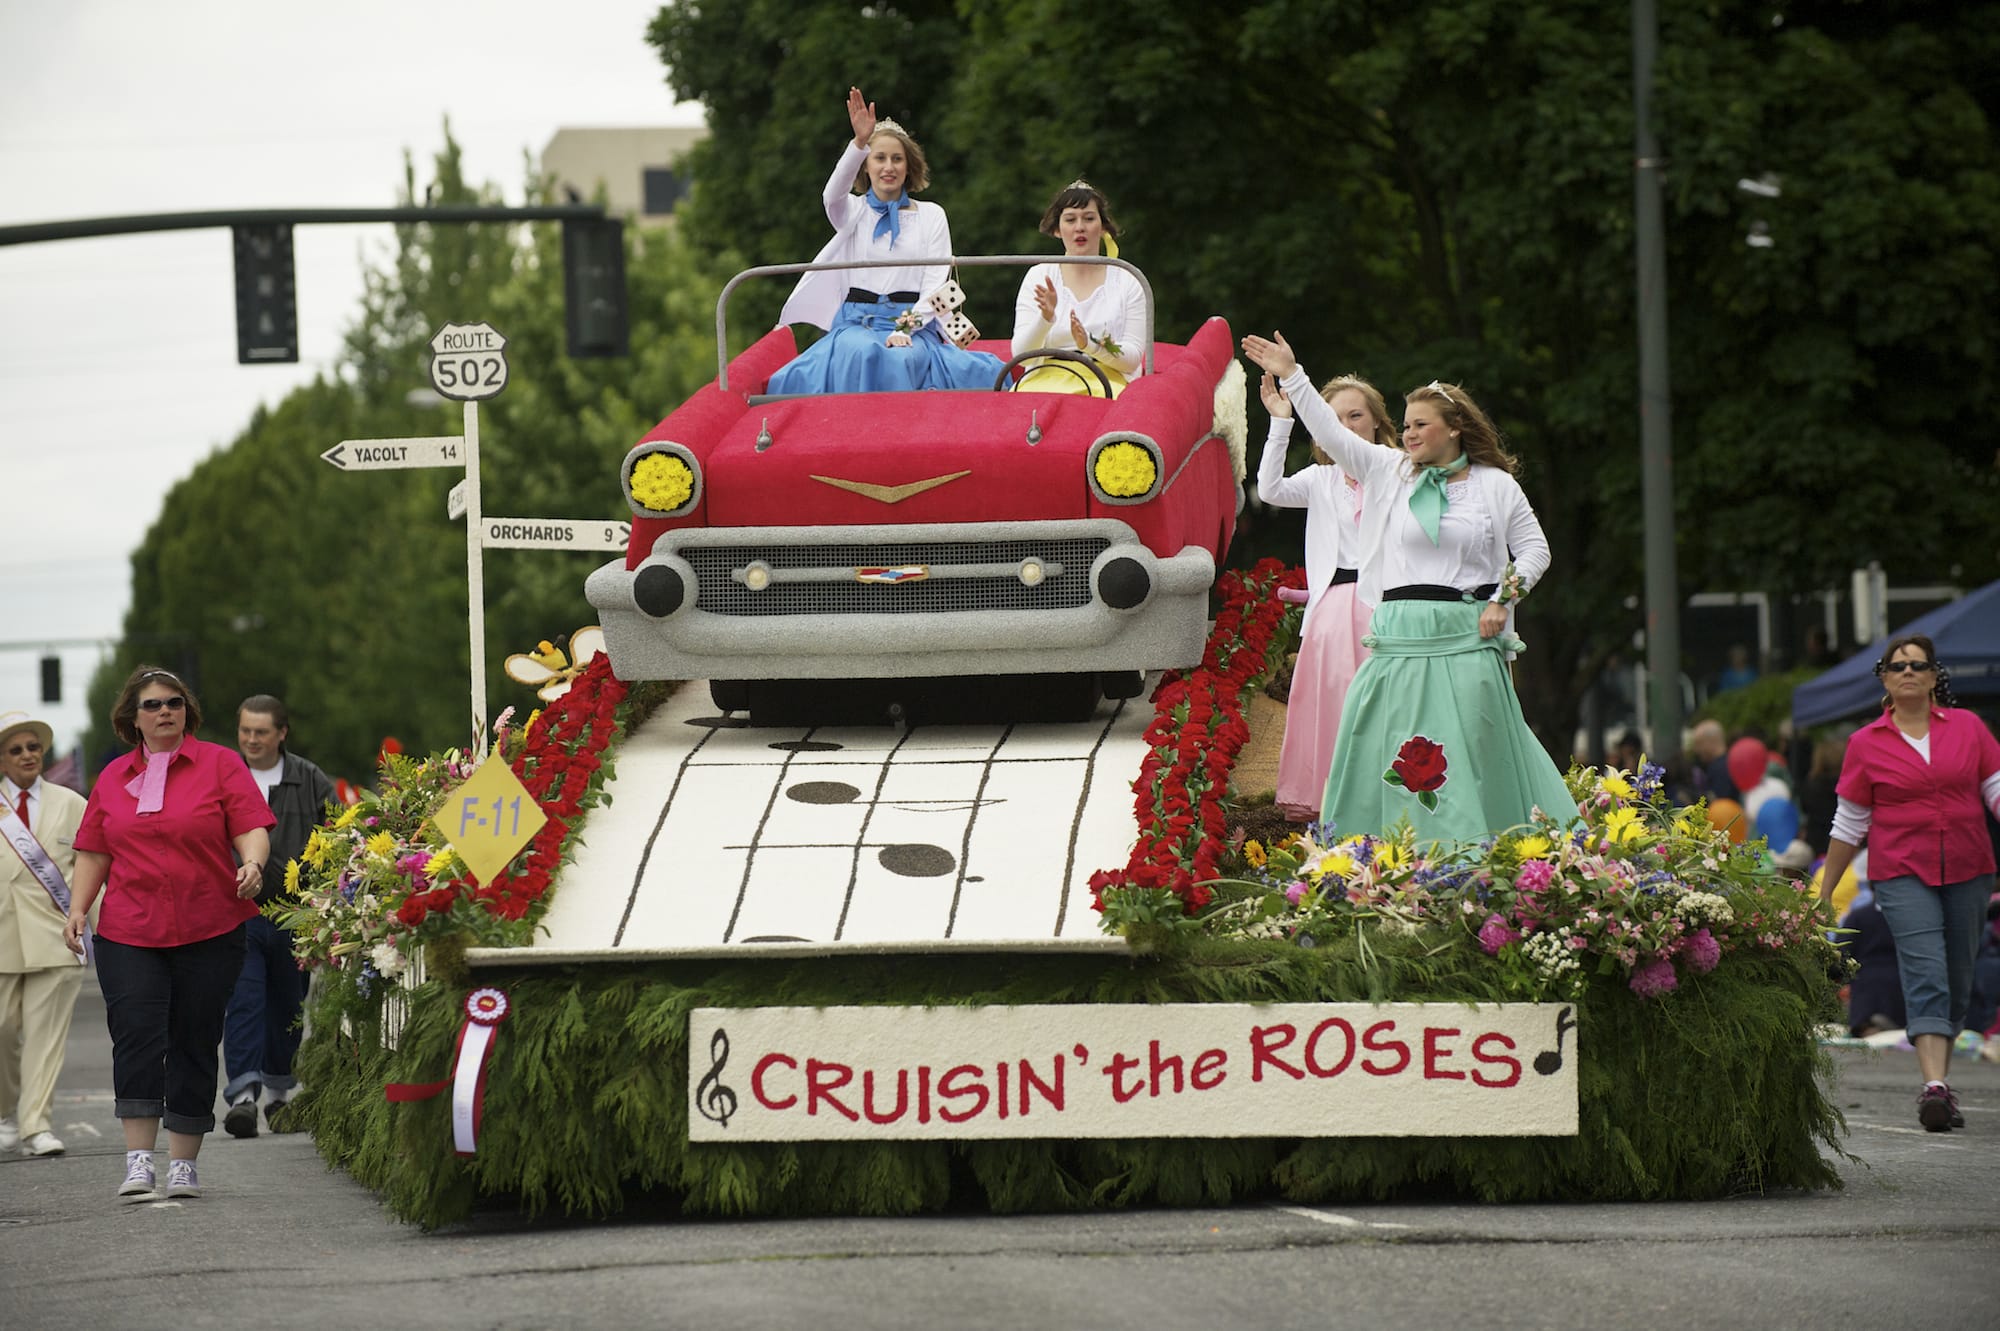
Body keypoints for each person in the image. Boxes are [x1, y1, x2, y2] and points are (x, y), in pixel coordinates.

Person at [1241, 332, 1575, 845]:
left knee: (1475, 744)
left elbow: (1536, 551)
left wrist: (1503, 599)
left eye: (1421, 424)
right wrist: (1293, 375)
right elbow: (1332, 433)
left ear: (1454, 428)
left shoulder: (1494, 485)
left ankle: (1486, 851)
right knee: (1388, 743)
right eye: (1409, 423)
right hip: (1397, 633)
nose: (1411, 433)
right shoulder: (1388, 471)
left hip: (1466, 632)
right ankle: (1376, 855)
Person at [63, 666, 273, 1199]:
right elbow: (95, 850)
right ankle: (138, 1162)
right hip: (130, 930)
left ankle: (183, 1164)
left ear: (187, 711)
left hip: (210, 924)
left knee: (194, 1038)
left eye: (174, 703)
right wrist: (78, 909)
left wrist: (251, 863)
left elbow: (250, 825)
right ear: (132, 718)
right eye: (153, 705)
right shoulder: (111, 778)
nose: (165, 712)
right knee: (135, 1035)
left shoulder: (221, 764)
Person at [1816, 634, 2000, 1132]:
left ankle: (1940, 1073)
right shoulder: (1865, 743)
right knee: (1926, 972)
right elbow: (1848, 824)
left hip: (1970, 867)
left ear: (1935, 675)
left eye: (1919, 665)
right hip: (1901, 873)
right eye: (1898, 666)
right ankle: (1934, 1089)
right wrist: (1824, 891)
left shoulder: (1969, 728)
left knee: (1959, 979)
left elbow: (1996, 790)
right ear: (1884, 677)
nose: (1909, 672)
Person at [767, 87, 1004, 396]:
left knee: (903, 357)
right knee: (864, 352)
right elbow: (831, 197)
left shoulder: (932, 215)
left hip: (913, 326)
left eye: (897, 159)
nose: (889, 167)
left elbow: (935, 286)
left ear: (908, 167)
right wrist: (858, 143)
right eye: (879, 158)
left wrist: (905, 328)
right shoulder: (853, 210)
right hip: (857, 325)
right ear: (866, 165)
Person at [1255, 371, 1397, 819]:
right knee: (1333, 704)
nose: (1347, 425)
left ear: (1377, 421)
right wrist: (1281, 421)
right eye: (1336, 418)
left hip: (1390, 607)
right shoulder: (1321, 478)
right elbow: (1269, 490)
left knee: (1389, 707)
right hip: (1333, 610)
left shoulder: (1398, 469)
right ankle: (1334, 804)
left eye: (1356, 415)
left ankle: (1392, 800)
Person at [221, 695, 334, 1138]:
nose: (251, 739)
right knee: (244, 1000)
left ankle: (280, 1094)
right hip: (237, 911)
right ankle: (244, 1096)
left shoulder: (309, 779)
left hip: (296, 914)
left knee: (288, 1003)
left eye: (261, 732)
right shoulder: (224, 775)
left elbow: (338, 833)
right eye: (245, 730)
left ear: (281, 733)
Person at [1, 711, 89, 1158]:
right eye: (16, 749)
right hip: (1, 937)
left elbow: (94, 865)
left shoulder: (72, 803)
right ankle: (4, 1111)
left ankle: (36, 1125)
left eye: (33, 747)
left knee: (44, 1035)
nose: (27, 756)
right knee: (3, 1030)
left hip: (55, 937)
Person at [1009, 180, 1147, 396]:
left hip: (1106, 385)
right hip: (1043, 383)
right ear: (1057, 229)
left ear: (1102, 227)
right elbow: (1021, 355)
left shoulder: (1128, 280)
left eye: (1089, 219)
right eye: (1071, 220)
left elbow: (1133, 359)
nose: (1080, 227)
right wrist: (1045, 319)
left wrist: (1090, 345)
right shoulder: (1039, 276)